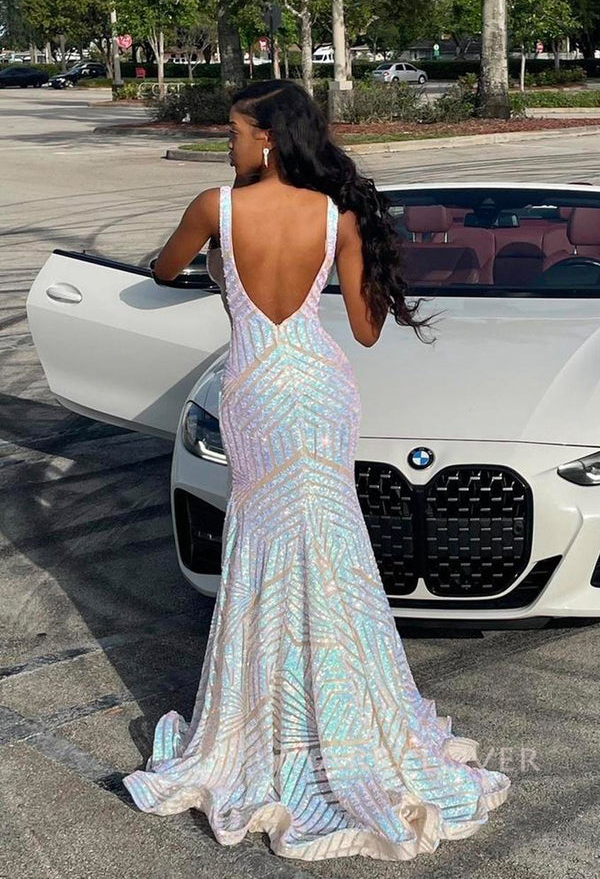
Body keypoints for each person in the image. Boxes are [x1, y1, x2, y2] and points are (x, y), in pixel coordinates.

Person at [122, 79, 510, 862]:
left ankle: (268, 720)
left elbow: (164, 271)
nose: (228, 144)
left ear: (267, 138)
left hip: (256, 387)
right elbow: (365, 331)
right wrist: (364, 265)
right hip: (320, 384)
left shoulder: (214, 208)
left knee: (263, 545)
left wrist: (215, 266)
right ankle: (347, 711)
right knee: (332, 546)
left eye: (235, 132)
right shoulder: (337, 215)